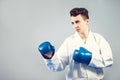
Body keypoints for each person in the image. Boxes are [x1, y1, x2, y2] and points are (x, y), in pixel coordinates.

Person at [38, 8, 113, 80]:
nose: (75, 26)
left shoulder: (99, 39)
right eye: (72, 23)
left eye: (77, 22)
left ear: (87, 21)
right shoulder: (69, 41)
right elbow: (58, 66)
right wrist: (49, 56)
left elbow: (108, 60)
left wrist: (90, 58)